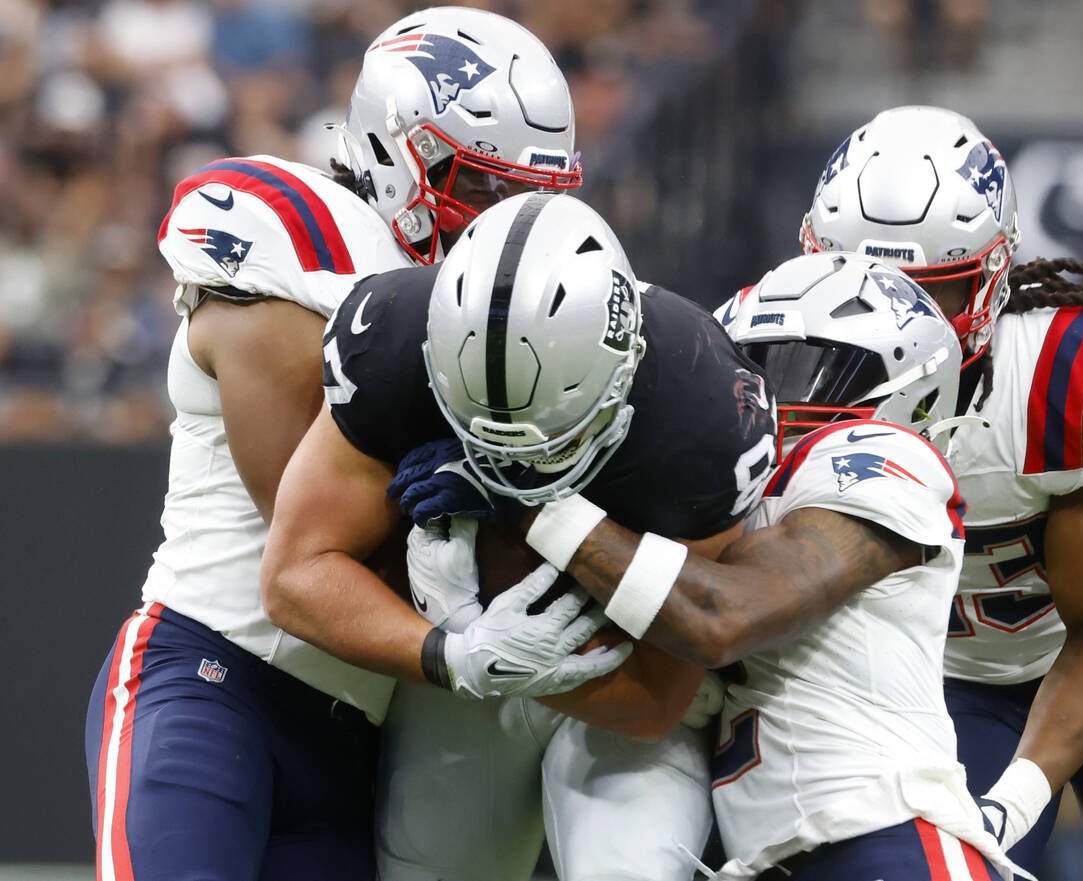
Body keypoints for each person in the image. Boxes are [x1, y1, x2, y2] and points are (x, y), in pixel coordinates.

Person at [83, 8, 596, 880]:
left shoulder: (513, 317)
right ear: (403, 155)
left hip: (350, 734)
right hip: (210, 673)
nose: (506, 221)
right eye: (482, 188)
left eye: (532, 196)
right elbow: (306, 535)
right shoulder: (303, 255)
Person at [393, 250, 1026, 880]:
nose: (762, 397)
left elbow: (725, 612)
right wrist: (465, 616)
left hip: (887, 840)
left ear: (911, 390)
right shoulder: (703, 510)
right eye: (753, 365)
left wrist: (533, 504)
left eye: (811, 368)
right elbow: (641, 671)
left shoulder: (889, 455)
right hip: (772, 857)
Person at [260, 191, 778, 880]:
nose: (518, 464)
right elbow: (295, 575)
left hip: (619, 697)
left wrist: (512, 569)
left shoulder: (707, 411)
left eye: (550, 435)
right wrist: (455, 653)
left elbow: (656, 698)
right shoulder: (390, 336)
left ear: (624, 366)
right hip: (458, 686)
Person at [800, 105, 1083, 879]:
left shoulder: (1066, 375)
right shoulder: (773, 369)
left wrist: (1013, 799)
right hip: (943, 678)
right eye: (865, 286)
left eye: (929, 291)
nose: (895, 320)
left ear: (993, 278)